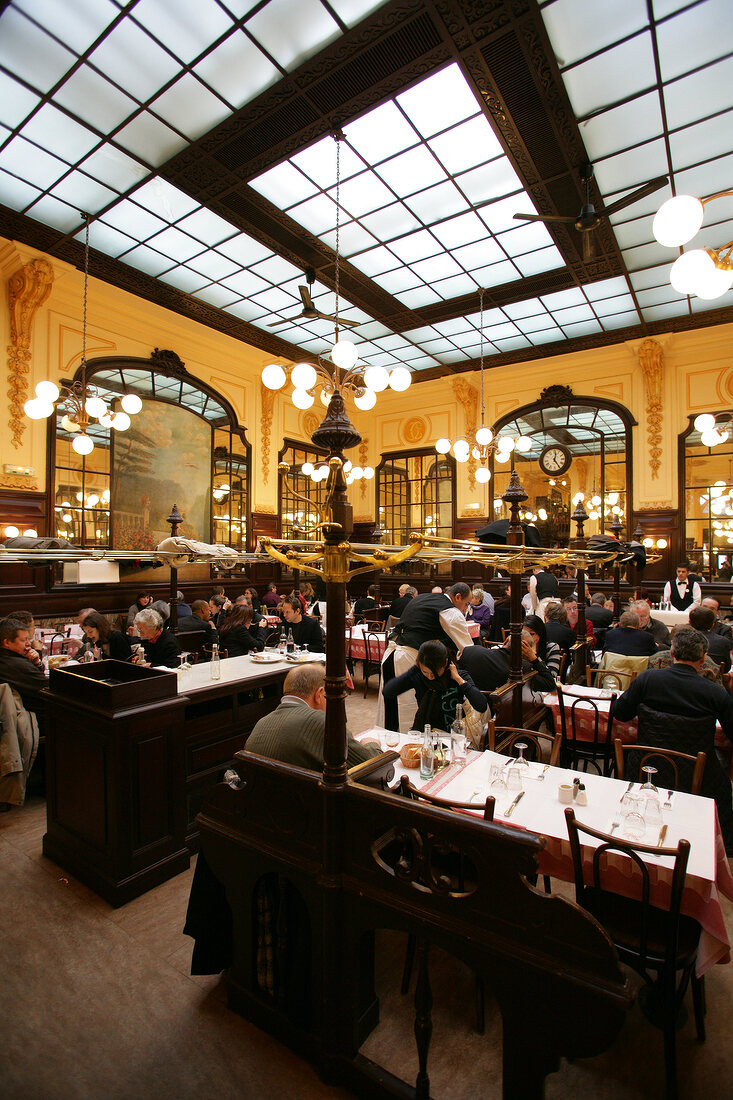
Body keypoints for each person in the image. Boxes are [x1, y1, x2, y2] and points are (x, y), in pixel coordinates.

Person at [614, 627, 733, 851]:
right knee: (725, 783)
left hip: (647, 763)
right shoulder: (714, 692)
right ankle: (717, 846)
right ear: (703, 657)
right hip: (697, 771)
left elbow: (620, 713)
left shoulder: (648, 679)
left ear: (672, 654)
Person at [245, 663, 380, 770]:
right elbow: (370, 765)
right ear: (319, 694)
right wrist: (372, 743)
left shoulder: (262, 723)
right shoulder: (320, 723)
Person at [381, 582, 473, 730]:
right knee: (410, 709)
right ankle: (409, 746)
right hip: (409, 658)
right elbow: (468, 648)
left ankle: (390, 743)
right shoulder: (450, 611)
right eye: (466, 604)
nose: (465, 609)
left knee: (391, 707)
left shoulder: (422, 597)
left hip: (390, 654)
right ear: (457, 597)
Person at [384, 639, 488, 733]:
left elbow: (481, 705)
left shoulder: (458, 675)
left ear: (446, 662)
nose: (430, 677)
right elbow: (388, 691)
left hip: (455, 736)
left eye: (435, 673)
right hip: (427, 735)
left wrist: (459, 680)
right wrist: (413, 670)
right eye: (425, 672)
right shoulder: (418, 676)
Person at [458, 626, 556, 697]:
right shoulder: (523, 670)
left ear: (504, 642)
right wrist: (534, 659)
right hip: (501, 716)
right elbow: (550, 685)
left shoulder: (471, 651)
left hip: (468, 705)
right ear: (526, 653)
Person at [0, 617, 48, 720]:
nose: (28, 644)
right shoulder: (16, 665)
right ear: (7, 642)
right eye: (23, 640)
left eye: (28, 639)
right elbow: (48, 686)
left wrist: (36, 663)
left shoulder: (11, 659)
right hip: (36, 719)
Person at [689, 606, 732, 672]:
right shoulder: (723, 642)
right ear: (712, 625)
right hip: (712, 679)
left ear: (689, 622)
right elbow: (726, 668)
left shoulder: (680, 638)